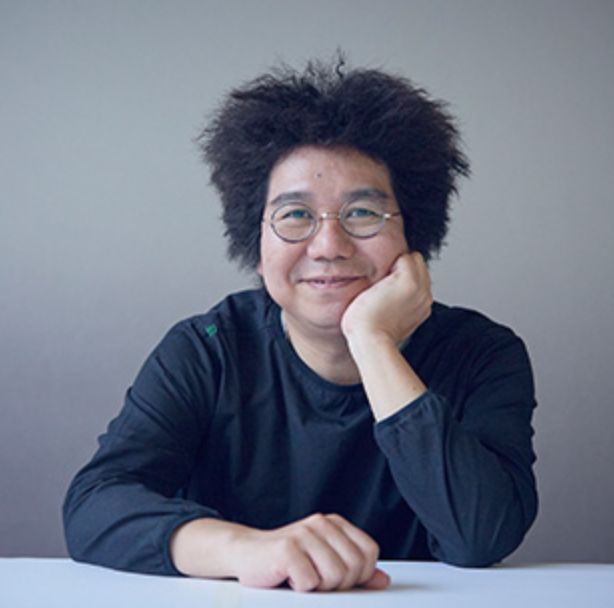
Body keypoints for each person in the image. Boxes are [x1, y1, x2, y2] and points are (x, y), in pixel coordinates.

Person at [63, 57, 538, 593]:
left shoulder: (481, 354)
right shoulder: (207, 351)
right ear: (257, 245)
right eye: (295, 215)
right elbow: (95, 504)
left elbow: (481, 535)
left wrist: (373, 341)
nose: (329, 246)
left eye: (362, 213)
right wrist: (245, 548)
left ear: (414, 235)